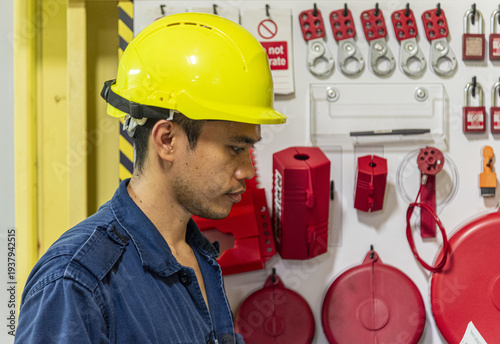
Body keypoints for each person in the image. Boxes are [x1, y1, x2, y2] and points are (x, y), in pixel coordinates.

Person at [15, 12, 286, 344]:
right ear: (167, 140)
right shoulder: (76, 281)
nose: (247, 171)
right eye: (234, 148)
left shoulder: (196, 254)